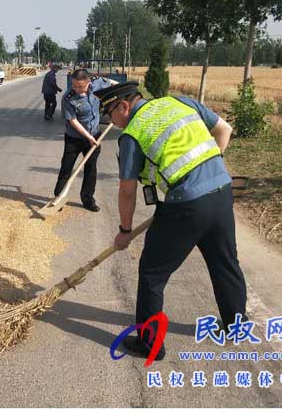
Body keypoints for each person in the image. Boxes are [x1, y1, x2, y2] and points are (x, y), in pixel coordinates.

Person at [95, 80, 247, 362]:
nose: (112, 123)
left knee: (153, 274)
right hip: (222, 192)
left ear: (124, 106)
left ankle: (150, 344)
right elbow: (224, 129)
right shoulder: (179, 102)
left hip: (187, 206)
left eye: (110, 115)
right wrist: (209, 171)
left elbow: (127, 190)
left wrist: (125, 231)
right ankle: (236, 326)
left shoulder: (133, 134)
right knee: (225, 262)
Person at [54, 68, 114, 212]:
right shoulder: (68, 98)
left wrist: (122, 93)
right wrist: (89, 137)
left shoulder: (97, 83)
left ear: (88, 82)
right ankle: (58, 197)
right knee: (66, 168)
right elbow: (73, 121)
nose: (76, 89)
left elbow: (112, 84)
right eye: (74, 85)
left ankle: (88, 200)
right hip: (74, 139)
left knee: (91, 169)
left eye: (80, 86)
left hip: (95, 135)